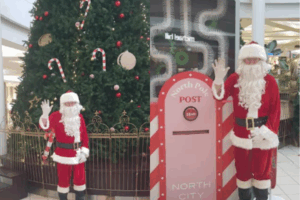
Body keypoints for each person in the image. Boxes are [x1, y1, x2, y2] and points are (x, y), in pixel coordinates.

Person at [212, 41, 280, 200]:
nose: (250, 63)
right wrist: (218, 81)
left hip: (262, 134)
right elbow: (219, 97)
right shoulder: (235, 78)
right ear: (242, 61)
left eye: (254, 59)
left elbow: (275, 111)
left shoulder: (270, 82)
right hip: (241, 133)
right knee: (242, 172)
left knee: (262, 172)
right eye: (247, 59)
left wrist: (267, 132)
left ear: (261, 61)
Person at [39, 90, 89, 200]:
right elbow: (46, 127)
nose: (70, 105)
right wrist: (45, 115)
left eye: (72, 103)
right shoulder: (56, 116)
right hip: (62, 154)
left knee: (80, 180)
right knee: (63, 181)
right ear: (63, 104)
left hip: (78, 154)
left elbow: (85, 136)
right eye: (67, 103)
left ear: (76, 104)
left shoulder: (80, 117)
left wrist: (84, 152)